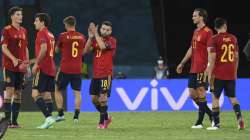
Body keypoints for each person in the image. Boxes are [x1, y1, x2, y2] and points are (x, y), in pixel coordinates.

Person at [176, 8, 213, 128]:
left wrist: (208, 67)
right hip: (193, 68)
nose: (193, 18)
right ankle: (211, 115)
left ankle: (199, 122)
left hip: (202, 68)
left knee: (201, 93)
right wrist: (182, 63)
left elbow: (210, 51)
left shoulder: (208, 32)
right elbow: (191, 49)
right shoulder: (195, 31)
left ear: (201, 17)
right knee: (192, 94)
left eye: (195, 16)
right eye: (193, 16)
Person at [206, 18, 245, 130]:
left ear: (215, 27)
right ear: (225, 26)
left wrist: (209, 75)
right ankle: (239, 118)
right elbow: (237, 57)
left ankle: (216, 124)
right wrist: (235, 72)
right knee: (233, 97)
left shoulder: (214, 39)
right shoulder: (233, 38)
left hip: (218, 74)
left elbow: (212, 59)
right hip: (231, 74)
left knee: (215, 97)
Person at [84, 21, 116, 129]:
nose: (105, 31)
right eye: (103, 29)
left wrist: (96, 33)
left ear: (111, 31)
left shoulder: (112, 41)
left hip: (106, 74)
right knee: (94, 99)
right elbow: (85, 51)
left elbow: (102, 47)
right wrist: (90, 37)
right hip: (96, 74)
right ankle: (107, 117)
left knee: (103, 98)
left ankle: (101, 123)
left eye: (108, 30)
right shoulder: (96, 40)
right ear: (101, 29)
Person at [1, 6, 29, 128]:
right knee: (9, 92)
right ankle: (6, 121)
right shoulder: (6, 30)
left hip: (20, 67)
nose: (20, 16)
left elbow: (26, 48)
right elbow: (3, 47)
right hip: (9, 66)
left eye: (21, 14)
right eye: (18, 14)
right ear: (12, 16)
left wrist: (27, 64)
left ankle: (14, 122)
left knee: (18, 93)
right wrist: (13, 59)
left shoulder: (24, 30)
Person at [54, 16, 86, 123]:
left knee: (57, 90)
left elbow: (57, 50)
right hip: (77, 68)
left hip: (65, 68)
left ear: (67, 25)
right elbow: (83, 51)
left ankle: (61, 114)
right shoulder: (82, 37)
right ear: (74, 24)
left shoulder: (63, 36)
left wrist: (62, 46)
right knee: (77, 93)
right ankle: (76, 117)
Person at [31, 13, 56, 129]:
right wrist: (32, 61)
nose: (34, 23)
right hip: (51, 68)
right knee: (47, 95)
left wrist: (36, 63)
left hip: (43, 68)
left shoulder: (41, 33)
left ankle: (48, 117)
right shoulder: (50, 34)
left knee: (35, 93)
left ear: (42, 22)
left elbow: (44, 49)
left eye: (36, 21)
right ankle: (49, 122)